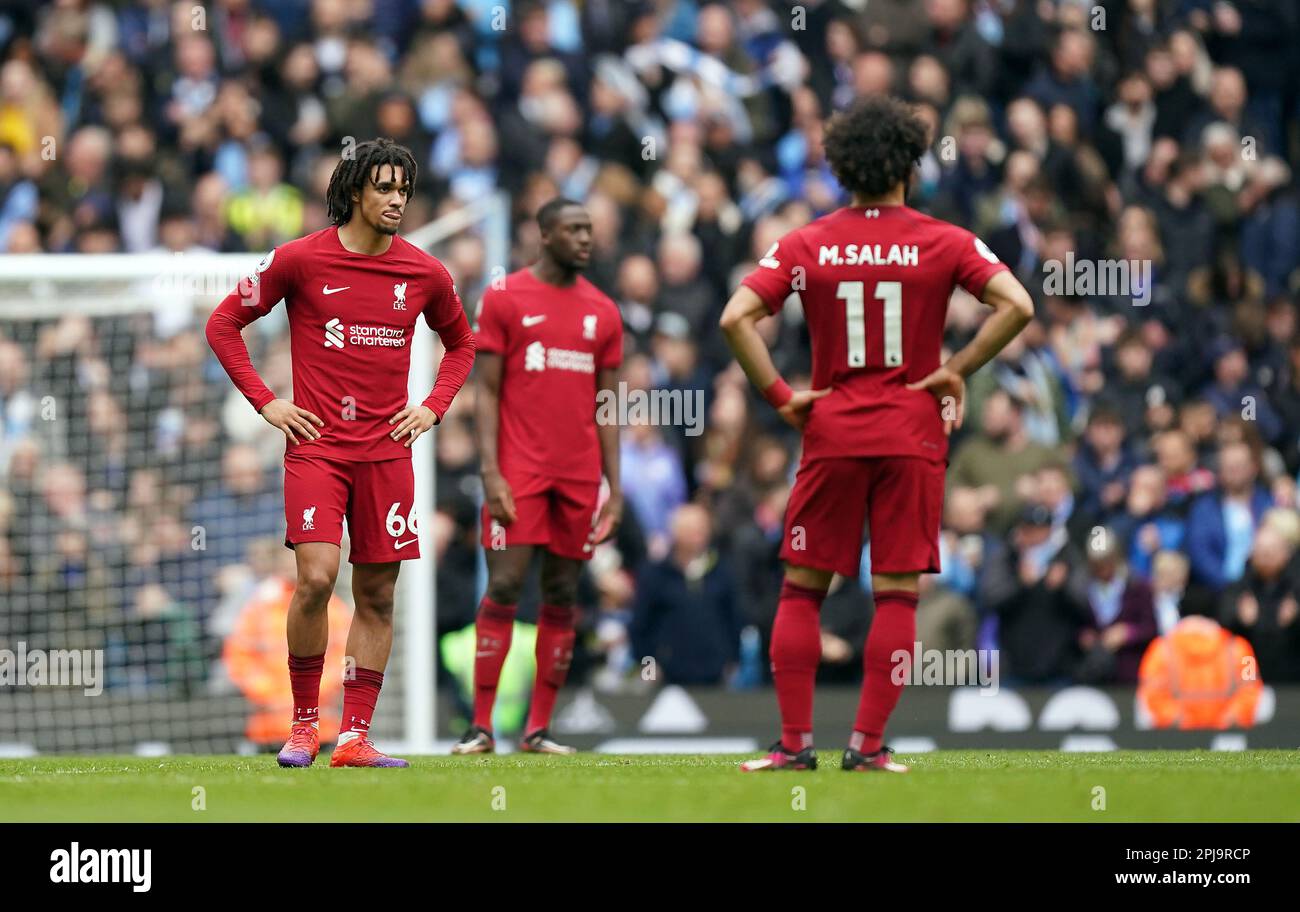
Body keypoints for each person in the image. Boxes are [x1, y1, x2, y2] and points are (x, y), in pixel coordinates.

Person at [720, 95, 1033, 773]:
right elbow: (1019, 304)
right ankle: (866, 747)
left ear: (840, 168)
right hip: (912, 433)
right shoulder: (944, 239)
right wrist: (956, 370)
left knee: (803, 590)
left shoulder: (807, 241)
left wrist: (779, 396)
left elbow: (735, 317)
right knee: (897, 592)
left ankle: (795, 746)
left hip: (832, 429)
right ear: (910, 164)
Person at [205, 138, 476, 768]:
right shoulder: (299, 260)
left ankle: (353, 736)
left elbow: (462, 343)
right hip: (317, 449)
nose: (396, 200)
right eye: (384, 188)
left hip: (388, 455)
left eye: (404, 190)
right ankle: (304, 726)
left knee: (378, 596)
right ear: (355, 191)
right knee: (317, 579)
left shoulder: (425, 273)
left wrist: (433, 405)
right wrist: (267, 403)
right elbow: (223, 324)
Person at [452, 198, 623, 755]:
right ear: (544, 234)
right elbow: (488, 390)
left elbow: (608, 405)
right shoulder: (505, 298)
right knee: (503, 585)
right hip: (518, 471)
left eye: (589, 229)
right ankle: (482, 726)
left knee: (563, 594)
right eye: (573, 229)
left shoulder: (604, 311)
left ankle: (538, 730)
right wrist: (490, 469)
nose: (584, 239)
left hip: (578, 476)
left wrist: (614, 490)